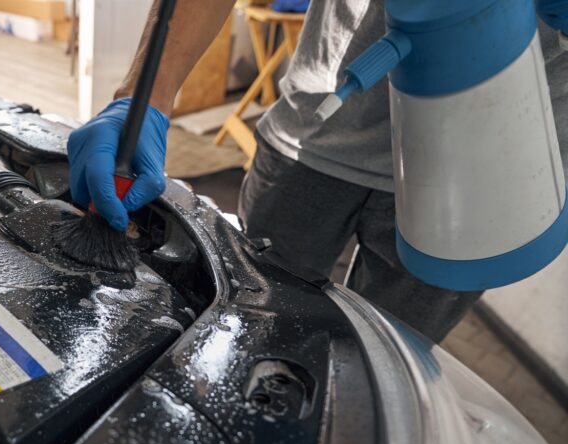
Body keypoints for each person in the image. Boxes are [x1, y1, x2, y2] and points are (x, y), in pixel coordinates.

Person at [68, 0, 568, 342]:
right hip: (313, 133)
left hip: (492, 160)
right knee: (248, 328)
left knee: (389, 363)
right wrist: (142, 96)